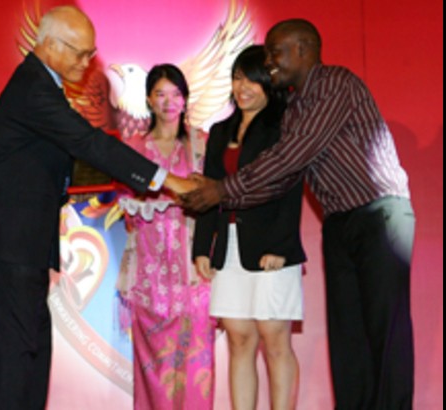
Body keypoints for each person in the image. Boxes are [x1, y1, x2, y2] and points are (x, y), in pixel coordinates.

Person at [182, 19, 415, 410]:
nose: (270, 61)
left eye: (276, 52)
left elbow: (292, 156)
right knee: (348, 338)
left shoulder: (333, 84)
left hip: (381, 216)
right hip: (339, 222)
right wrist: (215, 197)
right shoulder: (291, 110)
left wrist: (221, 190)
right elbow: (278, 179)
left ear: (303, 49)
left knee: (384, 330)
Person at [0, 6, 195, 410]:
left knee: (32, 353)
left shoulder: (44, 85)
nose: (87, 63)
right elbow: (89, 143)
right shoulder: (33, 89)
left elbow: (73, 159)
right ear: (50, 45)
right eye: (80, 53)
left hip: (25, 245)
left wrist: (128, 177)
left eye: (91, 54)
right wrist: (167, 180)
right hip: (10, 246)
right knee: (15, 360)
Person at [192, 44, 305, 410]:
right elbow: (209, 190)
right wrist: (201, 248)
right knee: (239, 338)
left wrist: (283, 246)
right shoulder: (220, 130)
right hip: (229, 246)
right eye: (238, 78)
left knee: (274, 340)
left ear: (267, 85)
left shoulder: (283, 124)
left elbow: (291, 187)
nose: (243, 88)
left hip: (272, 247)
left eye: (252, 80)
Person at [116, 64, 214, 410]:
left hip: (194, 270)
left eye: (175, 94)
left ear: (186, 99)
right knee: (153, 364)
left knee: (196, 361)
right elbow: (125, 210)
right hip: (149, 271)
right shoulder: (132, 148)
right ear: (148, 100)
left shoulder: (203, 144)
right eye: (160, 94)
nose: (168, 102)